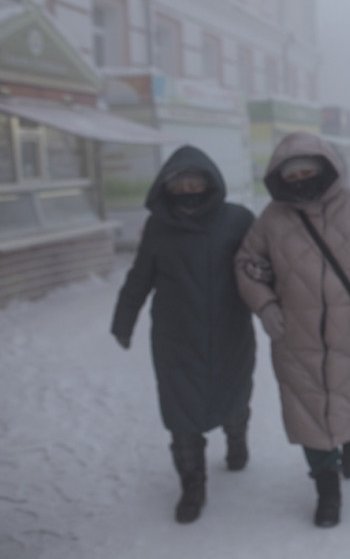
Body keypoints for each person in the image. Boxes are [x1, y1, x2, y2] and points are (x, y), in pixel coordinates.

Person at [235, 131, 350, 528]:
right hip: (295, 339)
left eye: (308, 169)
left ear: (325, 167)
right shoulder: (272, 218)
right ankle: (327, 490)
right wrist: (265, 304)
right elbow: (247, 265)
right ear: (279, 177)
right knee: (309, 417)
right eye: (293, 172)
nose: (301, 177)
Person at [110, 145, 256, 524]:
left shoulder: (238, 220)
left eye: (196, 181)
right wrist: (123, 322)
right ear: (167, 187)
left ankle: (236, 437)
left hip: (230, 331)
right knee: (181, 415)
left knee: (235, 394)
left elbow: (262, 269)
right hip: (176, 339)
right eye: (181, 183)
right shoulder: (159, 228)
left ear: (211, 182)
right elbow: (140, 277)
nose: (189, 188)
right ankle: (193, 486)